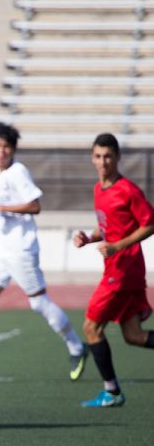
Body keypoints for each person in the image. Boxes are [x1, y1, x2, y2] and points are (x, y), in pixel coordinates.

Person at [0, 123, 86, 379]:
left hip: (22, 248)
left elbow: (35, 206)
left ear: (13, 150)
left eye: (6, 146)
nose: (2, 151)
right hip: (3, 247)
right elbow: (2, 208)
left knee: (38, 303)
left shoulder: (18, 171)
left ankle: (77, 347)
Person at [73, 133, 154, 407]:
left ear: (118, 158)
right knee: (134, 336)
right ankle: (112, 392)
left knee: (91, 327)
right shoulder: (99, 189)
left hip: (122, 271)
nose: (103, 162)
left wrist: (118, 246)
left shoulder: (128, 190)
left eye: (108, 156)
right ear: (92, 158)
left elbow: (150, 223)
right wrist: (90, 238)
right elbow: (109, 227)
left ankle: (112, 391)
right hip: (122, 269)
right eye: (98, 156)